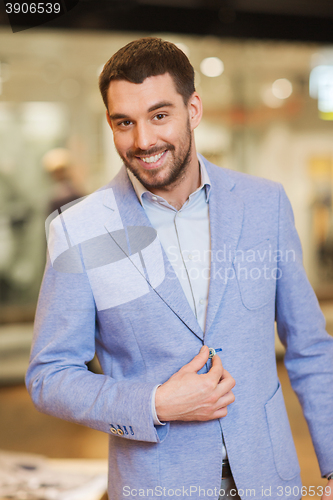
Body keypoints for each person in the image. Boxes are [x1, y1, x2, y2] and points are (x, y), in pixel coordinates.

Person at [26, 38, 333, 500]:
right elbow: (49, 375)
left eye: (159, 115)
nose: (143, 140)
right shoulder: (79, 230)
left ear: (193, 109)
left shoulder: (263, 204)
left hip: (270, 480)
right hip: (157, 485)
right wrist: (154, 403)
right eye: (123, 123)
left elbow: (310, 347)